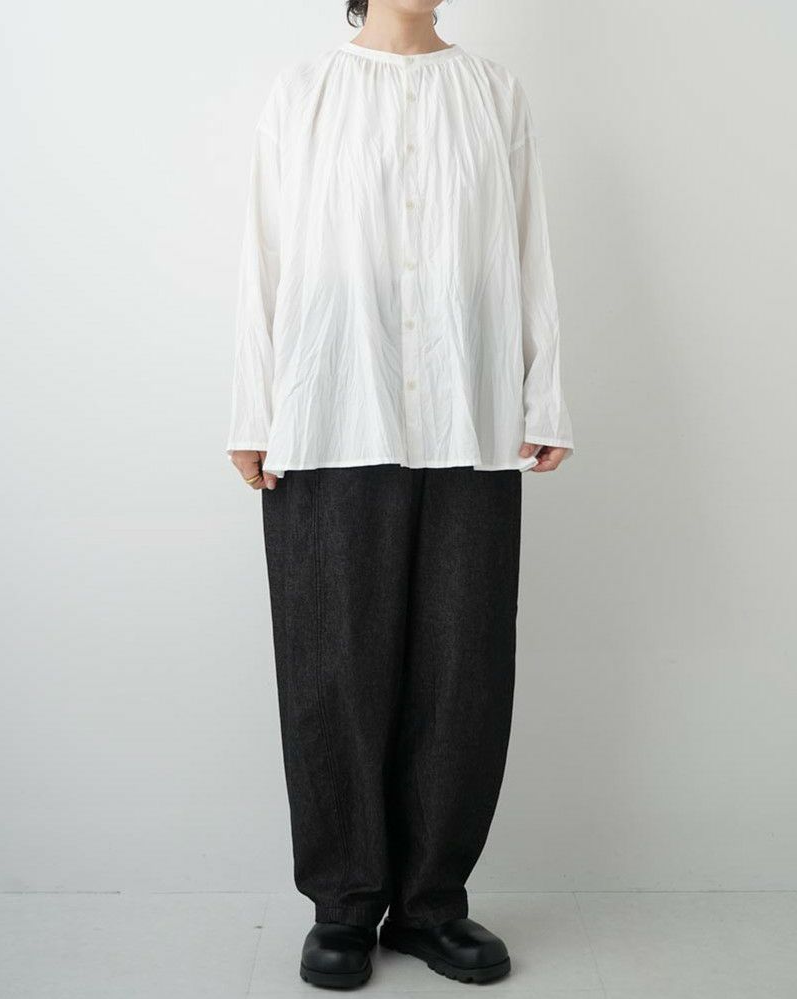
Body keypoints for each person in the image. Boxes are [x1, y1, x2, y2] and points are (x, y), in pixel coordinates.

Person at [226, 0, 574, 988]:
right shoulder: (303, 92)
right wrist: (252, 409)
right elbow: (264, 254)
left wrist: (542, 390)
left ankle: (431, 904)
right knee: (332, 666)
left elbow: (527, 247)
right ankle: (342, 906)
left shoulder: (494, 91)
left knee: (464, 666)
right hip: (330, 409)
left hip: (471, 410)